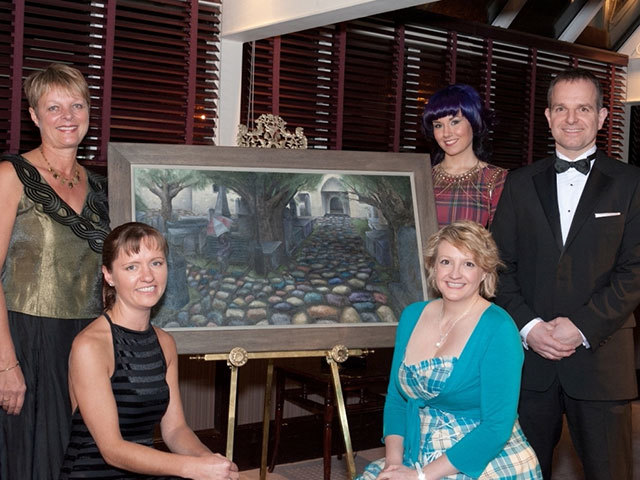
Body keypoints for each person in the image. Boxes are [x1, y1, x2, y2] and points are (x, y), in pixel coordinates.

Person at [492, 68, 640, 479]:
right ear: (547, 116)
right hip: (528, 362)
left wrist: (581, 327)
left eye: (583, 108)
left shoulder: (632, 183)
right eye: (562, 108)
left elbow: (635, 272)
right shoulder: (519, 183)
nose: (571, 118)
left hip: (601, 359)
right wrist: (530, 327)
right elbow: (498, 266)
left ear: (603, 116)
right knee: (518, 473)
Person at [356, 220, 541, 480]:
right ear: (432, 266)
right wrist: (393, 466)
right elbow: (397, 399)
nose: (455, 274)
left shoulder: (499, 329)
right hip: (416, 449)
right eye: (446, 262)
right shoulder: (411, 316)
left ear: (485, 272)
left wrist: (420, 476)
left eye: (468, 263)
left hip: (480, 457)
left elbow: (496, 429)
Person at [59, 222, 239, 480]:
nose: (148, 276)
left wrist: (209, 461)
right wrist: (192, 468)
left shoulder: (165, 342)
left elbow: (175, 429)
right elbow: (112, 450)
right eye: (132, 267)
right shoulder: (90, 345)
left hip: (150, 471)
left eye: (156, 263)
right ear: (109, 275)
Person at [0, 63, 110, 479]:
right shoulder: (10, 176)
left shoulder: (101, 185)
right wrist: (5, 364)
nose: (67, 116)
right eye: (54, 107)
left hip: (90, 338)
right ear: (33, 115)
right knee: (33, 458)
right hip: (28, 339)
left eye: (76, 105)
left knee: (83, 455)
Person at [423, 84, 507, 228]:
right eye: (438, 125)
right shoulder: (423, 178)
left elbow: (503, 244)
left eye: (454, 122)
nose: (446, 133)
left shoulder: (496, 180)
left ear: (474, 123)